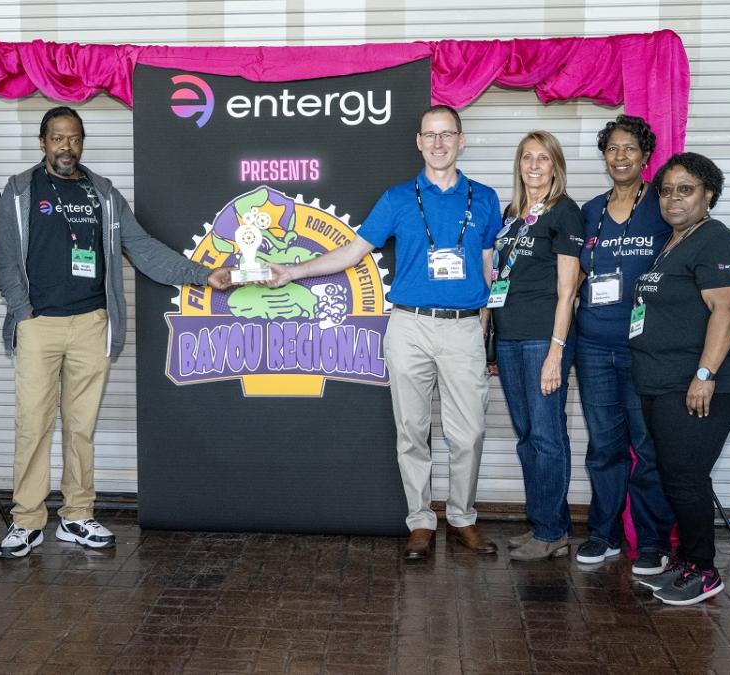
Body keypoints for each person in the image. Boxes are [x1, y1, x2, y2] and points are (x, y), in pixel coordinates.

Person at [0, 106, 233, 558]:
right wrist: (23, 312)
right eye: (58, 138)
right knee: (33, 426)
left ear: (82, 143)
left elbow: (141, 248)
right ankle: (26, 521)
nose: (67, 147)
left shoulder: (101, 193)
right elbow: (4, 257)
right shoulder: (20, 190)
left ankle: (77, 516)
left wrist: (202, 275)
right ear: (42, 142)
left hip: (91, 325)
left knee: (81, 428)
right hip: (38, 325)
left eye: (75, 138)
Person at [265, 105, 501, 560]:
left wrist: (484, 326)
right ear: (418, 142)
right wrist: (293, 272)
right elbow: (352, 253)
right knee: (412, 430)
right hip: (408, 325)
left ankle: (462, 517)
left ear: (461, 140)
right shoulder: (397, 198)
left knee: (467, 433)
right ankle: (420, 521)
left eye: (447, 134)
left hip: (463, 329)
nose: (438, 143)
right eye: (429, 135)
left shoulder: (485, 199)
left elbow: (489, 268)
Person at [630, 152, 730, 606]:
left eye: (686, 189)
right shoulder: (676, 242)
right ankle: (687, 560)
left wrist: (705, 375)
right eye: (666, 190)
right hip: (663, 381)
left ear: (709, 195)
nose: (673, 198)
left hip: (701, 383)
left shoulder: (716, 242)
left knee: (685, 477)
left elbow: (728, 309)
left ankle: (704, 571)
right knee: (676, 474)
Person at [574, 115, 676, 575]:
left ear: (645, 156)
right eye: (612, 148)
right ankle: (604, 533)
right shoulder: (589, 211)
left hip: (644, 348)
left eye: (629, 149)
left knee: (648, 446)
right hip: (593, 345)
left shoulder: (663, 205)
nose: (620, 156)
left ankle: (652, 541)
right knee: (604, 446)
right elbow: (574, 277)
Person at [490, 131, 583, 561]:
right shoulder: (512, 215)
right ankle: (545, 525)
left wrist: (556, 352)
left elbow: (568, 291)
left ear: (555, 165)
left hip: (542, 340)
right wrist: (492, 345)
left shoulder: (565, 213)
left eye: (543, 158)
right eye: (526, 156)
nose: (533, 165)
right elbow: (499, 284)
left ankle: (552, 532)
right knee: (527, 436)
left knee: (547, 435)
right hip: (509, 341)